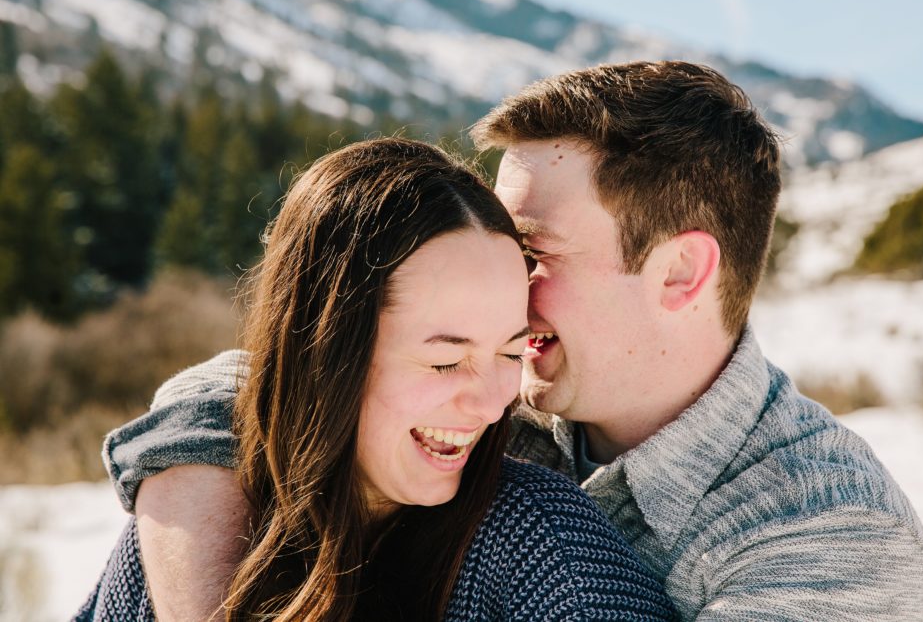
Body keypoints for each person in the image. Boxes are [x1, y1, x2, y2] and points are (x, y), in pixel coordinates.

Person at [97, 61, 923, 620]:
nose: (506, 292)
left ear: (680, 272)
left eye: (535, 254)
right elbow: (275, 376)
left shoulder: (826, 535)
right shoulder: (515, 401)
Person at [76, 138, 678, 621]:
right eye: (446, 360)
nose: (494, 404)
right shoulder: (192, 533)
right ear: (328, 351)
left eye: (510, 352)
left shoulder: (545, 552)